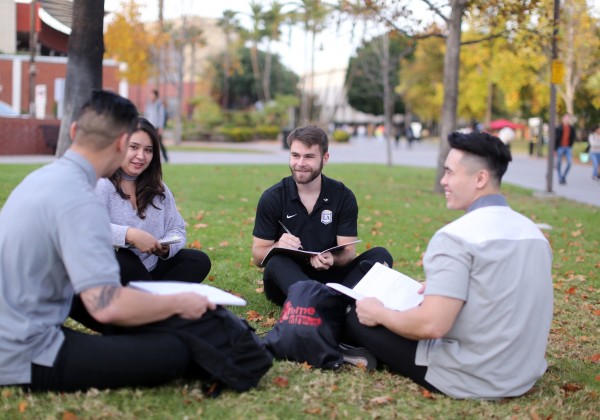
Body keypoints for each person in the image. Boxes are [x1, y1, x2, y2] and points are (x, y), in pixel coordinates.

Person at [0, 90, 270, 392]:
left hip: (25, 329)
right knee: (173, 353)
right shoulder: (81, 200)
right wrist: (179, 303)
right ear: (120, 145)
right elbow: (105, 305)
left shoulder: (40, 179)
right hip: (21, 351)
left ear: (74, 130)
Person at [346, 131, 553, 399]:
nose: (443, 181)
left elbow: (431, 326)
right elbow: (506, 290)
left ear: (480, 178)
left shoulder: (456, 237)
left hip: (473, 377)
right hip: (523, 373)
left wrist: (380, 313)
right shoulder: (534, 233)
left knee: (357, 314)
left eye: (450, 172)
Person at [251, 125, 393, 306]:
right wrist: (277, 245)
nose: (300, 163)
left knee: (381, 255)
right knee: (276, 263)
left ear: (325, 158)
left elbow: (348, 251)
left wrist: (333, 259)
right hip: (288, 279)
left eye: (309, 156)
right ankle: (331, 301)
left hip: (331, 276)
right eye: (295, 155)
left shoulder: (343, 196)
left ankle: (327, 300)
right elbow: (257, 255)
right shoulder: (273, 197)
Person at [95, 117, 211, 285]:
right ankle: (155, 301)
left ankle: (151, 301)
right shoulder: (101, 184)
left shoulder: (158, 188)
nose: (141, 156)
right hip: (113, 273)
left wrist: (167, 249)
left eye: (148, 150)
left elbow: (177, 228)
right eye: (133, 147)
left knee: (198, 260)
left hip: (151, 267)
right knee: (123, 257)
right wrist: (130, 235)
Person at [144, 89, 169, 163]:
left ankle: (165, 157)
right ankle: (152, 158)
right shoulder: (148, 104)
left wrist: (161, 128)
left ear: (156, 96)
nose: (151, 96)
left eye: (152, 94)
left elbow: (162, 116)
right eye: (150, 94)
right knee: (149, 142)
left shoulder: (159, 104)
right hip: (149, 126)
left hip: (157, 127)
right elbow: (146, 115)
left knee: (159, 143)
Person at [555, 114, 576, 185]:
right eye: (565, 118)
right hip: (560, 147)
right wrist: (554, 149)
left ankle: (563, 176)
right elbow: (555, 139)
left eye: (568, 119)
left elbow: (573, 137)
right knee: (559, 163)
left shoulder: (571, 128)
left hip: (568, 147)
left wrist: (571, 145)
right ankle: (560, 177)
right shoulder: (559, 127)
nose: (566, 120)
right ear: (563, 119)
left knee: (570, 163)